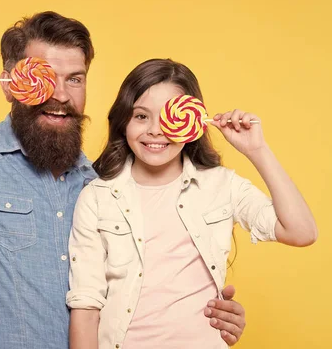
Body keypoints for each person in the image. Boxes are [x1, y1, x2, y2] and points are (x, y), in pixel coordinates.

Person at [0, 12, 248, 349]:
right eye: (43, 76)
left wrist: (204, 316)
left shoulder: (101, 186)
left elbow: (138, 292)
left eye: (75, 78)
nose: (60, 94)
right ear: (10, 84)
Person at [67, 58, 318, 349]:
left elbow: (302, 232)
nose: (155, 130)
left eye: (169, 117)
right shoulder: (97, 197)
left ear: (192, 123)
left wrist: (257, 150)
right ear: (124, 121)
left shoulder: (221, 185)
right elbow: (85, 304)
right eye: (141, 116)